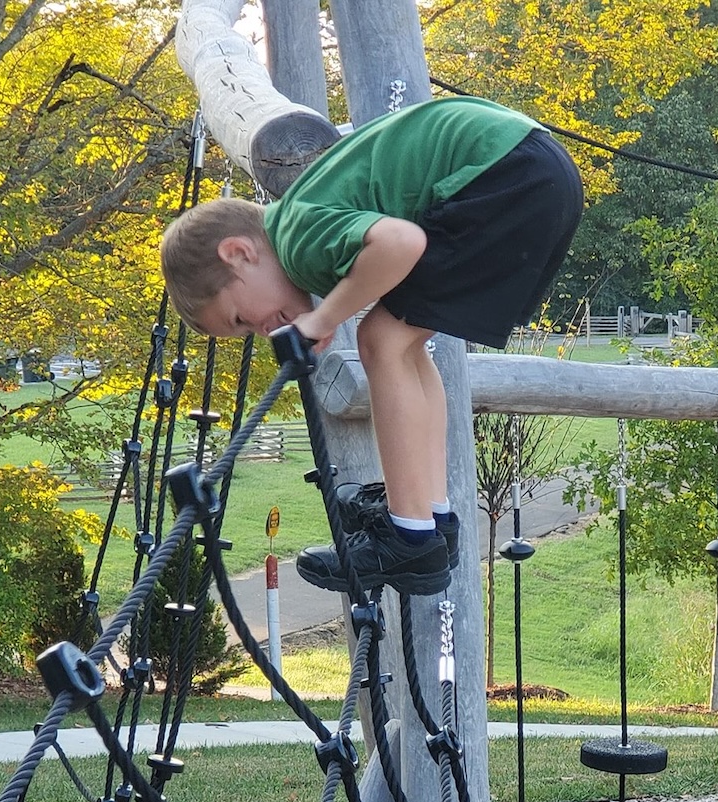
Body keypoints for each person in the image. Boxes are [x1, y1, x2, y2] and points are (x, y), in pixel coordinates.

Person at [161, 95, 583, 597]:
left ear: (239, 253)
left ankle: (409, 537)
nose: (260, 330)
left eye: (240, 319)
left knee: (380, 340)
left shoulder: (295, 234)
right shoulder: (309, 215)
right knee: (401, 341)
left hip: (502, 172)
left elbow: (401, 244)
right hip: (535, 168)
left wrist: (323, 316)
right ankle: (431, 518)